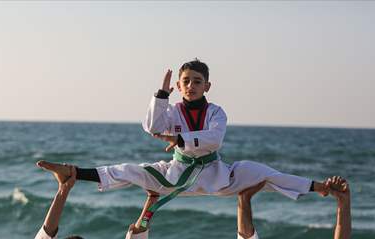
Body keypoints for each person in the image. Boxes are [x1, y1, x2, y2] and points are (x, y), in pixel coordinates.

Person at [36, 59, 329, 226]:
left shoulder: (216, 112)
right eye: (185, 81)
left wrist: (178, 138)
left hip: (217, 175)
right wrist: (161, 96)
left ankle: (320, 187)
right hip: (177, 172)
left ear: (207, 86)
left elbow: (214, 141)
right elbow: (152, 127)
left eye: (197, 81)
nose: (191, 85)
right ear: (178, 86)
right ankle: (72, 172)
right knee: (129, 170)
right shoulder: (172, 110)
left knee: (264, 173)